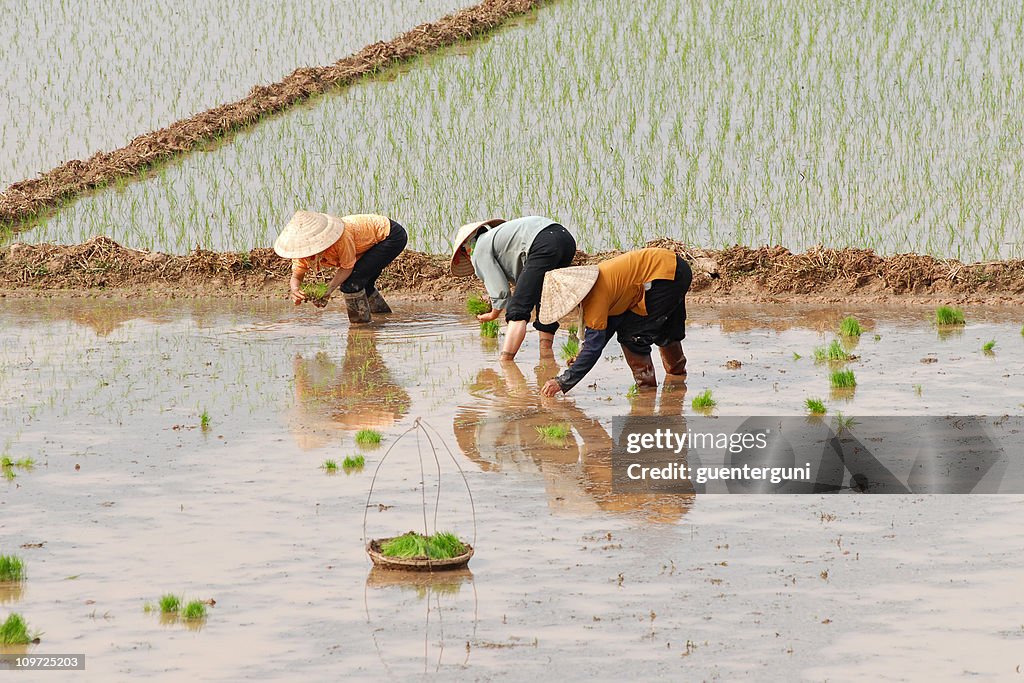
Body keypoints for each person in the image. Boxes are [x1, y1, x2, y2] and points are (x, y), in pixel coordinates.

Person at [537, 247, 691, 396]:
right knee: (664, 329)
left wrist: (563, 382)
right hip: (672, 266)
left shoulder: (595, 298)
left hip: (667, 277)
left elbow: (594, 347)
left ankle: (647, 392)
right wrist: (581, 356)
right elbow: (608, 325)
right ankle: (677, 379)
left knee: (632, 336)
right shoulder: (598, 281)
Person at [450, 216, 576, 360]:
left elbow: (500, 290)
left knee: (518, 309)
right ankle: (546, 354)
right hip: (565, 239)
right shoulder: (496, 237)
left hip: (542, 242)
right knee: (545, 298)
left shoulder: (478, 249)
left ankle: (506, 362)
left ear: (464, 250)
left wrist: (493, 314)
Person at [274, 210, 408, 323]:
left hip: (390, 236)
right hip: (368, 243)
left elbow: (347, 267)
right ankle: (383, 318)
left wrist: (329, 289)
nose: (309, 256)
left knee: (351, 284)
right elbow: (296, 276)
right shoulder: (302, 253)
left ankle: (360, 328)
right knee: (363, 284)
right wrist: (295, 289)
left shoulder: (340, 239)